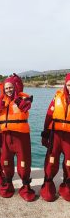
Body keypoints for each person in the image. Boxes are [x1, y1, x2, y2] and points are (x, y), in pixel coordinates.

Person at [0, 74, 35, 201]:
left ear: (15, 87)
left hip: (21, 138)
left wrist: (20, 102)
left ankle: (26, 187)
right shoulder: (1, 101)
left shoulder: (22, 98)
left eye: (10, 87)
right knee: (6, 161)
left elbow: (27, 106)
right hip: (5, 137)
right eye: (6, 88)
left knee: (24, 163)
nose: (9, 90)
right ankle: (8, 184)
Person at [40, 73, 70, 202]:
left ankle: (67, 186)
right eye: (69, 84)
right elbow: (48, 116)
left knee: (69, 162)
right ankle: (48, 185)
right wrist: (45, 134)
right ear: (65, 85)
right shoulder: (57, 97)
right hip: (56, 135)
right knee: (51, 161)